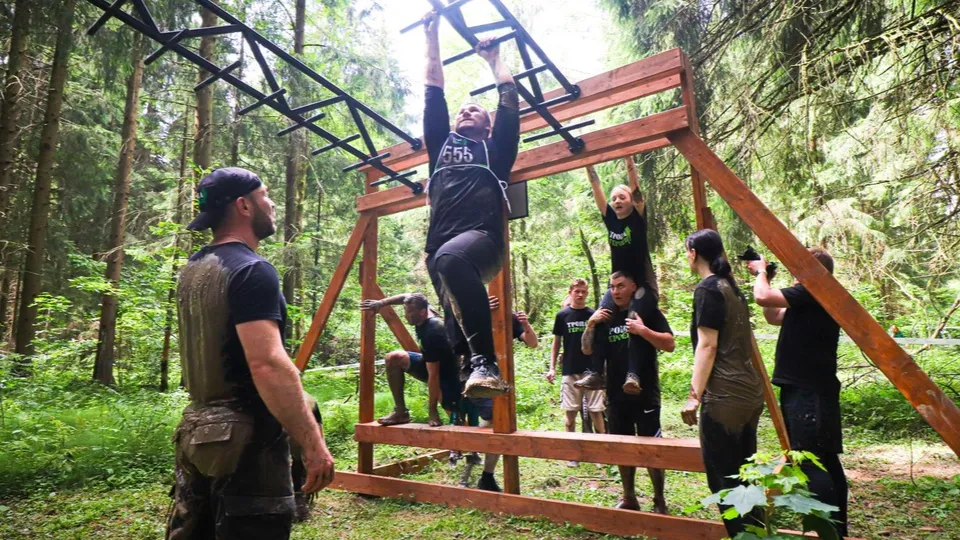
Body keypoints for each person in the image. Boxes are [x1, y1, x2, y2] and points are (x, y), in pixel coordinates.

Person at [167, 168, 334, 539]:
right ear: (244, 205)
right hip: (248, 445)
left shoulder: (194, 268)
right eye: (265, 195)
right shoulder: (252, 270)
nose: (271, 203)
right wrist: (313, 444)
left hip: (197, 436)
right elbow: (268, 364)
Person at [421, 10, 520, 398]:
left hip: (483, 240)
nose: (466, 110)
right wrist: (431, 33)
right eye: (463, 110)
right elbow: (433, 89)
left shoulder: (496, 150)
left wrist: (494, 61)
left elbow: (509, 100)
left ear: (488, 125)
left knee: (452, 260)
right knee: (451, 316)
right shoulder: (440, 146)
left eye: (475, 110)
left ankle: (487, 363)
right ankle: (471, 368)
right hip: (439, 246)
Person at [748, 248, 848, 537]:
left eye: (798, 266)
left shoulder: (814, 290)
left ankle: (830, 532)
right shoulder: (811, 297)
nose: (794, 272)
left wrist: (762, 273)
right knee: (824, 460)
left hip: (808, 393)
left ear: (813, 270)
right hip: (809, 390)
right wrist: (769, 277)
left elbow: (762, 297)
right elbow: (773, 315)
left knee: (811, 460)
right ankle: (836, 532)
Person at [680, 229, 764, 537]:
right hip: (750, 396)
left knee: (726, 482)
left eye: (686, 251)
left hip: (724, 399)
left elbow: (708, 345)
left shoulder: (708, 289)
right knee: (746, 478)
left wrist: (693, 396)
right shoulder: (731, 286)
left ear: (693, 253)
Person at [581, 271, 674, 513]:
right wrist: (591, 322)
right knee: (622, 447)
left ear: (634, 286)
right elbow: (587, 350)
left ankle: (659, 501)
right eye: (612, 287)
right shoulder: (605, 317)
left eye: (621, 286)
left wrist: (643, 330)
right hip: (615, 393)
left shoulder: (647, 312)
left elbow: (669, 344)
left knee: (651, 447)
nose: (616, 291)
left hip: (645, 393)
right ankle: (629, 497)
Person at [576, 159, 658, 394]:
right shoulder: (610, 219)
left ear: (632, 201)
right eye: (614, 199)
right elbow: (596, 188)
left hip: (642, 284)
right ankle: (595, 372)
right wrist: (587, 163)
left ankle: (633, 375)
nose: (617, 201)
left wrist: (628, 158)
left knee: (632, 319)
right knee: (601, 316)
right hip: (618, 286)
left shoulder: (638, 219)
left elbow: (636, 189)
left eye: (622, 197)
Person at [360, 292, 462, 427]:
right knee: (394, 358)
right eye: (406, 311)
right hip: (430, 363)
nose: (407, 316)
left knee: (454, 409)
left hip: (449, 373)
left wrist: (432, 410)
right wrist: (381, 303)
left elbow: (434, 374)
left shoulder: (433, 331)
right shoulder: (422, 305)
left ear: (422, 312)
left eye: (410, 312)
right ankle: (400, 411)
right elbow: (406, 296)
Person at [549, 278, 605, 458]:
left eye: (583, 292)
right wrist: (552, 368)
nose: (580, 295)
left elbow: (600, 343)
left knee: (597, 413)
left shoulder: (594, 315)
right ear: (570, 292)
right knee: (570, 415)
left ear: (587, 293)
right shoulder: (562, 315)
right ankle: (571, 454)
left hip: (592, 372)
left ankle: (601, 453)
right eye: (577, 291)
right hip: (570, 370)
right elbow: (556, 343)